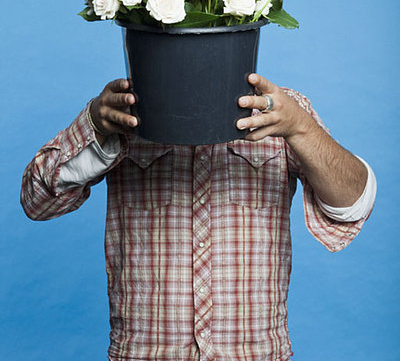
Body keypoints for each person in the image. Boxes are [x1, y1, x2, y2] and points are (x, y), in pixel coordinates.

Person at [20, 73, 376, 361]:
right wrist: (93, 126)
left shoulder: (281, 113)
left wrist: (301, 127)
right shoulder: (121, 116)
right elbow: (37, 201)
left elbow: (352, 205)